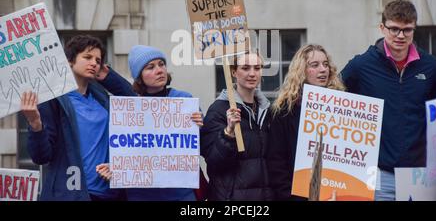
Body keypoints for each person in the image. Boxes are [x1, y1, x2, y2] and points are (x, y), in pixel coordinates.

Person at [340, 0, 436, 201]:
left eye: (407, 30)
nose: (400, 36)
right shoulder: (361, 65)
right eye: (394, 29)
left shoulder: (429, 66)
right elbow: (332, 99)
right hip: (378, 173)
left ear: (414, 29)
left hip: (419, 174)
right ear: (382, 27)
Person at [20, 35, 130, 201]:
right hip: (71, 194)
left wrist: (109, 77)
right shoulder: (52, 99)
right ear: (70, 61)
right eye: (87, 57)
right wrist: (35, 124)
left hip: (108, 193)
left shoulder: (102, 98)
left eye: (98, 60)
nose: (94, 63)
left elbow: (134, 101)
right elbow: (41, 157)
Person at [96, 45, 203, 201]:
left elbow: (197, 146)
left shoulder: (184, 100)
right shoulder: (130, 108)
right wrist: (116, 167)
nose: (159, 70)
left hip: (180, 194)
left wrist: (199, 125)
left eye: (161, 64)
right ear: (139, 77)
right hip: (141, 195)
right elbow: (128, 148)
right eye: (150, 67)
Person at [267, 44, 345, 200]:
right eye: (314, 65)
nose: (323, 69)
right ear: (301, 71)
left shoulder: (342, 107)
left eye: (325, 64)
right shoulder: (284, 111)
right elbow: (276, 163)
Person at [200, 52, 273, 201]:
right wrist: (228, 133)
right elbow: (213, 161)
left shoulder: (267, 111)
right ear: (233, 72)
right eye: (245, 68)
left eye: (257, 68)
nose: (252, 73)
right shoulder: (218, 110)